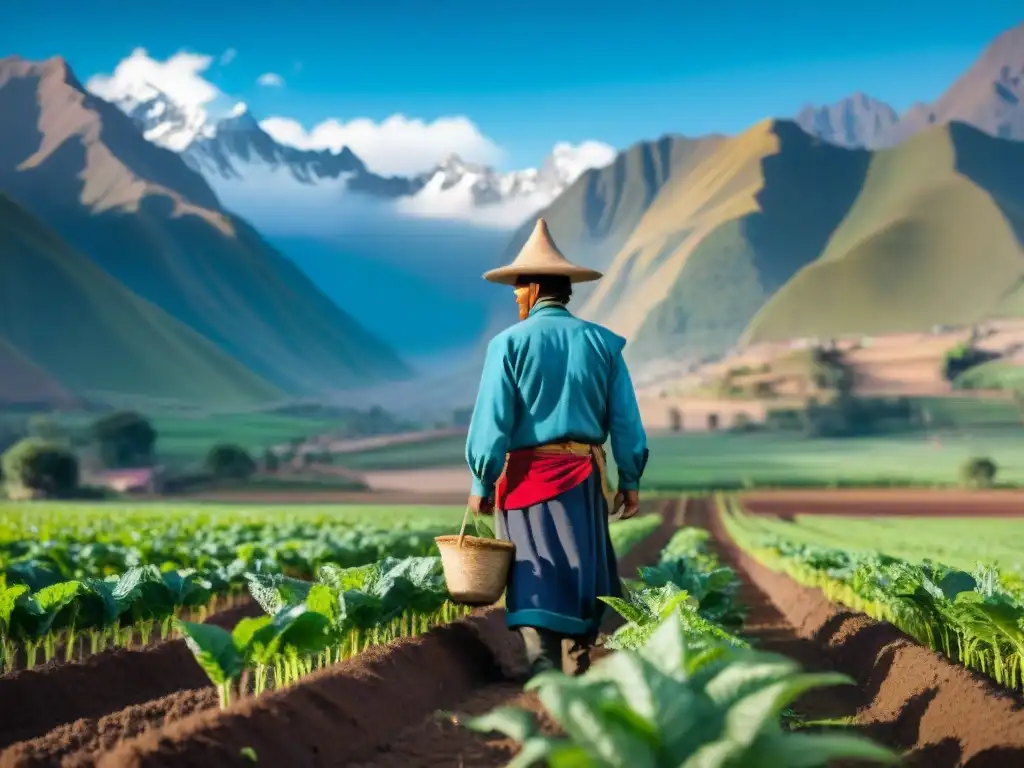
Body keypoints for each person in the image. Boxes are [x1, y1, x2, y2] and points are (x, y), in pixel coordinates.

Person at [465, 217, 649, 678]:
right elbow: (625, 421)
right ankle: (577, 654)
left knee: (531, 567)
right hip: (584, 478)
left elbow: (492, 422)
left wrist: (481, 481)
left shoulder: (507, 345)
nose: (515, 298)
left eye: (516, 290)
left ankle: (542, 665)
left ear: (531, 289)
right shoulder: (602, 343)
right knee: (581, 562)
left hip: (525, 479)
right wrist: (630, 479)